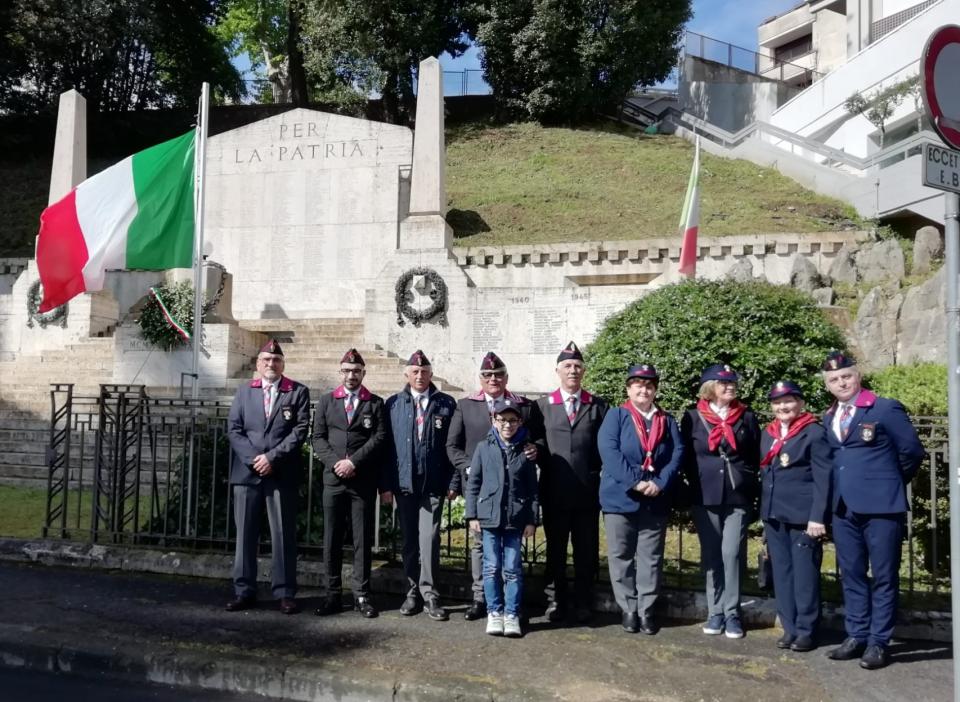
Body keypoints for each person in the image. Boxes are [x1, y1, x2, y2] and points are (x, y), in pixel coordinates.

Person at [821, 351, 925, 670]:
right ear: (828, 385)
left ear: (858, 376)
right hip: (843, 508)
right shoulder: (829, 416)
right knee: (851, 574)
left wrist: (887, 482)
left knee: (883, 576)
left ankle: (879, 642)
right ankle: (856, 635)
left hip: (881, 507)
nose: (842, 382)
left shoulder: (884, 407)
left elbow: (911, 452)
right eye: (834, 380)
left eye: (846, 376)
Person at [446, 351, 542, 621]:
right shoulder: (466, 405)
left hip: (513, 492)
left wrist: (536, 450)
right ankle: (482, 599)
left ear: (506, 378)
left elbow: (539, 440)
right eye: (488, 375)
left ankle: (509, 605)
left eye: (499, 375)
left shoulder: (522, 406)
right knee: (481, 546)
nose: (493, 379)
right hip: (482, 488)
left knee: (510, 551)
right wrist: (469, 467)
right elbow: (452, 446)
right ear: (481, 378)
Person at [225, 339, 311, 614]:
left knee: (282, 535)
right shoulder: (244, 393)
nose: (270, 364)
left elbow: (300, 431)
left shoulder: (297, 392)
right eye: (266, 360)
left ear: (282, 364)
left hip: (281, 472)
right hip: (247, 474)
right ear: (258, 364)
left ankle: (285, 592)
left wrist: (272, 458)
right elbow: (234, 429)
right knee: (245, 535)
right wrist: (254, 460)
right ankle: (243, 590)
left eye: (275, 360)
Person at [598, 364, 683, 635]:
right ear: (628, 389)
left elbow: (677, 453)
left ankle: (647, 610)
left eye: (649, 385)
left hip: (654, 499)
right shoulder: (616, 416)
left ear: (655, 390)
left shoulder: (666, 420)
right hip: (620, 497)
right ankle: (628, 608)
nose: (643, 389)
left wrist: (659, 483)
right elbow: (609, 451)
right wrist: (636, 481)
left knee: (651, 558)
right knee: (620, 555)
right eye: (638, 384)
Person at [681, 363, 760, 639]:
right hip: (705, 495)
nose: (729, 387)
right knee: (713, 555)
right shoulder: (692, 417)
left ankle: (733, 612)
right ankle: (715, 611)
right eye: (722, 383)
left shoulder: (746, 416)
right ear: (709, 387)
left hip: (738, 495)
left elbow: (754, 454)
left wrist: (746, 479)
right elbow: (688, 457)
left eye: (732, 383)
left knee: (732, 553)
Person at [536, 341, 608, 624]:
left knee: (586, 551)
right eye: (567, 366)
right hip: (554, 491)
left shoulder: (598, 405)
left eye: (578, 366)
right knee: (555, 550)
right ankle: (555, 601)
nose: (573, 370)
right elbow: (538, 442)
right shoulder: (542, 406)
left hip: (587, 492)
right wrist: (536, 451)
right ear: (558, 371)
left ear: (584, 371)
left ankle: (583, 601)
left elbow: (604, 447)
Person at [383, 350, 458, 621]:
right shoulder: (393, 404)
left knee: (430, 539)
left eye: (424, 371)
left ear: (431, 374)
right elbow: (386, 449)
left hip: (433, 484)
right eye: (414, 372)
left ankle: (430, 594)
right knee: (410, 542)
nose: (419, 376)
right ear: (406, 374)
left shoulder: (446, 404)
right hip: (404, 485)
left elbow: (453, 446)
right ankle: (412, 591)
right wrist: (386, 486)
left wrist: (453, 481)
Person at [313, 348, 387, 619]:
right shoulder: (326, 401)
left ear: (363, 373)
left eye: (356, 371)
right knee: (331, 539)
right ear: (339, 372)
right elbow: (318, 438)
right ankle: (332, 595)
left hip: (361, 480)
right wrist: (336, 463)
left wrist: (353, 462)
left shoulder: (375, 403)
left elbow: (379, 438)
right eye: (346, 370)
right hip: (334, 480)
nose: (351, 375)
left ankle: (361, 595)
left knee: (362, 541)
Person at [758, 380, 831, 652]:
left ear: (800, 403)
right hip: (774, 513)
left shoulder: (813, 433)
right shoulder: (769, 433)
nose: (783, 407)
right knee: (782, 572)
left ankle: (806, 629)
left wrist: (818, 516)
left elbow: (823, 479)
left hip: (803, 516)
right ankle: (789, 628)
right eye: (777, 403)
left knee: (804, 574)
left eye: (788, 401)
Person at [465, 401, 539, 638]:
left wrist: (531, 519)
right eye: (503, 420)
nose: (508, 425)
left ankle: (511, 613)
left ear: (520, 423)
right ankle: (494, 611)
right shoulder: (483, 447)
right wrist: (472, 514)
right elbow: (474, 483)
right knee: (491, 567)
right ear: (494, 421)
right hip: (489, 517)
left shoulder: (526, 451)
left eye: (513, 420)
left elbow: (532, 489)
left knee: (512, 569)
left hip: (514, 519)